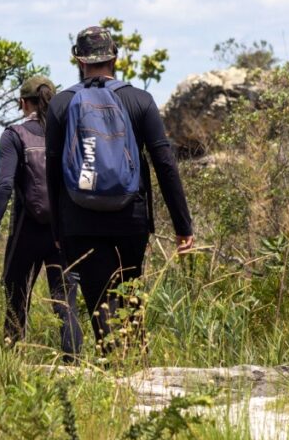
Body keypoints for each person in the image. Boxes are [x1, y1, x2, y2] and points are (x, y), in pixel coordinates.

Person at [45, 26, 194, 352]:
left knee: (101, 302)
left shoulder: (60, 104)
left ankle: (115, 372)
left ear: (78, 60)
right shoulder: (140, 100)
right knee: (130, 297)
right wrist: (183, 225)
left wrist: (58, 230)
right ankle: (133, 369)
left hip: (80, 219)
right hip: (132, 217)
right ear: (115, 56)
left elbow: (52, 173)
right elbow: (164, 163)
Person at [0, 76, 83, 359]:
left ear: (23, 103)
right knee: (65, 303)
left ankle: (11, 364)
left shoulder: (14, 134)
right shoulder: (67, 133)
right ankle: (75, 366)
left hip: (27, 230)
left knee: (16, 300)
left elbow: (3, 186)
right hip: (63, 231)